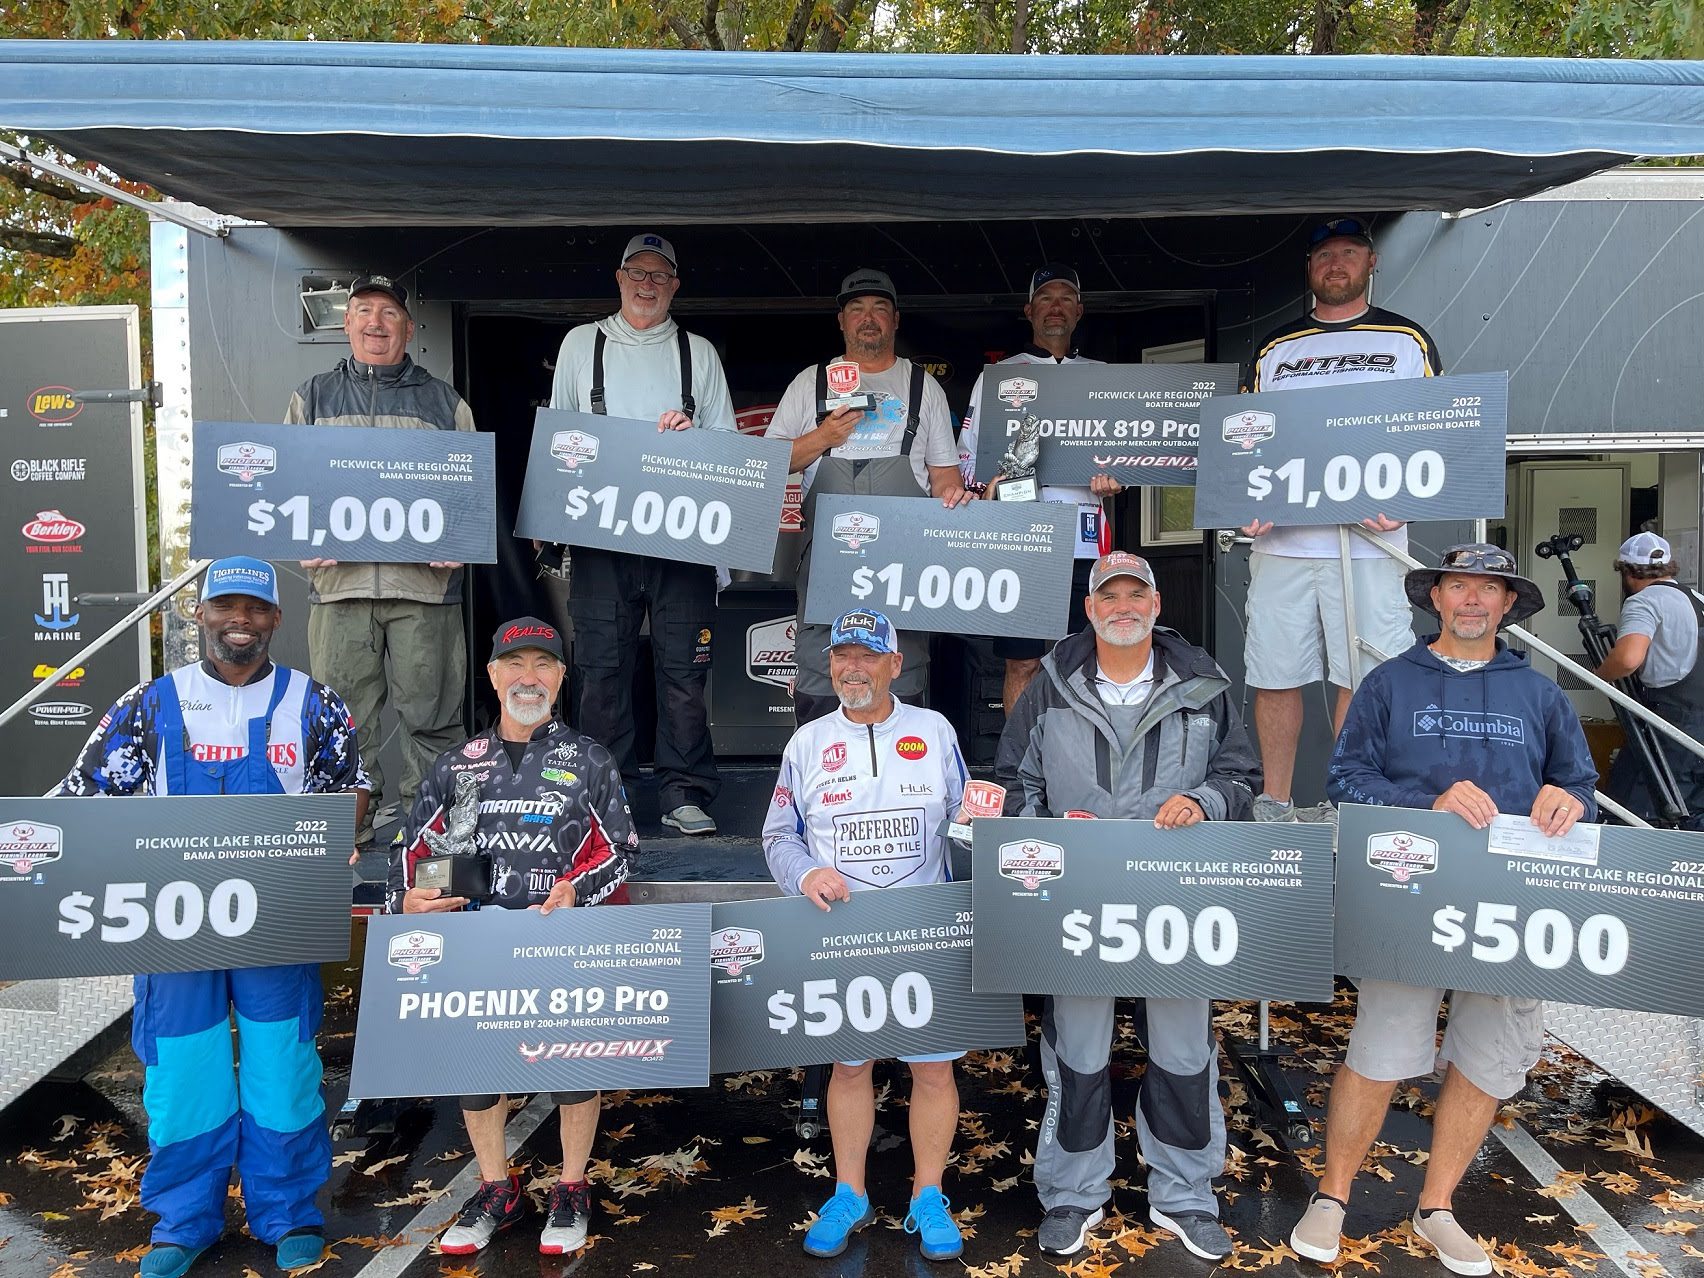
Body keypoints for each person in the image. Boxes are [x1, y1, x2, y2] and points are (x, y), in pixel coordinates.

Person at [1289, 544, 1597, 1277]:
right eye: (1459, 585)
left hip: (1510, 905)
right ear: (1437, 597)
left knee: (1487, 1056)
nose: (1472, 600)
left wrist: (1570, 801)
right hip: (1408, 892)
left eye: (1489, 589)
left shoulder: (1540, 694)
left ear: (1508, 604)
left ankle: (1437, 1208)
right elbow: (1345, 780)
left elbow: (1580, 785)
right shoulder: (1390, 682)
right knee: (1381, 1046)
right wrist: (1426, 802)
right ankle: (1332, 1196)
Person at [58, 556, 370, 1278]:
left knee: (281, 1067)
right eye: (225, 606)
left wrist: (334, 835)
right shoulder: (150, 703)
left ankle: (288, 1212)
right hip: (174, 926)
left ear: (276, 619)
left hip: (277, 920)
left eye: (255, 608)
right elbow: (87, 797)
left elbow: (350, 787)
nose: (241, 621)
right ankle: (184, 1220)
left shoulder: (315, 703)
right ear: (198, 613)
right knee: (183, 1074)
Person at [996, 551, 1260, 1261]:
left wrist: (1203, 802)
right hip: (1079, 902)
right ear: (1089, 610)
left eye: (1135, 595)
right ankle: (1073, 1192)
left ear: (1155, 605)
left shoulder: (1204, 685)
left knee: (1183, 1052)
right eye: (1108, 596)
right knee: (1077, 1052)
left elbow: (1242, 776)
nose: (1123, 607)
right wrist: (1052, 835)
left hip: (1177, 900)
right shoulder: (1049, 686)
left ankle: (1185, 1194)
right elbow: (1014, 783)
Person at [389, 616, 639, 1257]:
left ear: (561, 677)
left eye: (543, 665)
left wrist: (577, 889)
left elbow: (623, 849)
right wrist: (407, 899)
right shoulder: (457, 764)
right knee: (477, 1074)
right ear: (494, 676)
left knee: (573, 1069)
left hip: (563, 938)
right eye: (516, 664)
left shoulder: (591, 760)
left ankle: (573, 1186)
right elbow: (409, 852)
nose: (530, 677)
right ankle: (498, 1188)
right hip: (478, 942)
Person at [763, 609, 971, 1262]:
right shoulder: (807, 743)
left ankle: (928, 1195)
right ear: (829, 665)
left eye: (867, 655)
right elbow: (777, 836)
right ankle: (848, 1193)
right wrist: (806, 875)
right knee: (849, 1064)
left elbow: (966, 820)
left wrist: (979, 839)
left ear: (895, 664)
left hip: (924, 930)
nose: (853, 668)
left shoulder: (935, 731)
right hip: (843, 933)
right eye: (842, 656)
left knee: (932, 1067)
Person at [1241, 217, 1443, 822]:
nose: (1336, 264)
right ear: (1309, 267)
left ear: (1371, 262)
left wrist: (1408, 501)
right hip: (1284, 543)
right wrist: (1244, 502)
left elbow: (1436, 429)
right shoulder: (1275, 348)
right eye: (1324, 254)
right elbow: (1245, 440)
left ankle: (1351, 802)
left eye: (1349, 252)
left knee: (1366, 675)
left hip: (1371, 542)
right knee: (1275, 673)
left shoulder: (1407, 340)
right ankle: (1275, 802)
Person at [546, 233, 737, 836]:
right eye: (637, 272)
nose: (647, 284)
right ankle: (608, 795)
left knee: (685, 671)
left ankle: (685, 793)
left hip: (682, 536)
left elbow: (729, 450)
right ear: (619, 278)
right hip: (601, 535)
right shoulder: (582, 344)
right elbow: (558, 440)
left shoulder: (698, 353)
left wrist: (694, 440)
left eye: (659, 275)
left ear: (675, 285)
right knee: (602, 671)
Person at [284, 272, 473, 850]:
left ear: (409, 329)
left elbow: (468, 494)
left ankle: (430, 837)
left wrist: (459, 540)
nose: (375, 323)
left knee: (434, 720)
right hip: (338, 588)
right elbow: (286, 484)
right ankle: (348, 837)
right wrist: (300, 535)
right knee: (342, 724)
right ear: (346, 323)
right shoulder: (312, 397)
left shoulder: (444, 401)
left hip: (424, 592)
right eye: (364, 310)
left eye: (389, 313)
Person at [765, 268, 971, 724]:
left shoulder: (923, 387)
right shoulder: (810, 383)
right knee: (822, 675)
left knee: (903, 672)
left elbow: (944, 478)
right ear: (842, 320)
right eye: (857, 309)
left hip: (904, 564)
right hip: (827, 561)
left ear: (895, 319)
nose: (868, 318)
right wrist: (823, 437)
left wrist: (956, 500)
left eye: (879, 308)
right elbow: (769, 462)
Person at [957, 264, 1123, 712]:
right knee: (1023, 663)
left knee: (1088, 662)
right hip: (1021, 539)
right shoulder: (998, 376)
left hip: (1084, 541)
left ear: (1079, 311)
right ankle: (1020, 756)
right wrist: (986, 487)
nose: (1056, 307)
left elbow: (1121, 453)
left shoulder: (1101, 376)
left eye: (1066, 298)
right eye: (1046, 297)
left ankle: (1080, 754)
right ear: (1029, 310)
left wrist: (1115, 478)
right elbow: (968, 456)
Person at [1595, 531, 1704, 826]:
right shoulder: (1698, 599)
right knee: (1693, 813)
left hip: (1672, 723)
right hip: (1698, 726)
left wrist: (1599, 675)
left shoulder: (1644, 601)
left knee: (1633, 808)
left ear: (1627, 572)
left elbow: (1628, 658)